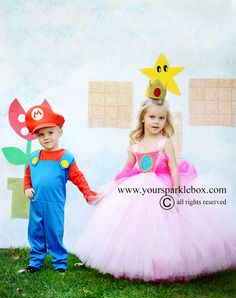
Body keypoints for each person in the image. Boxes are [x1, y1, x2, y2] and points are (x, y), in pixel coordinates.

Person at [76, 83, 236, 282]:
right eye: (152, 117)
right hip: (137, 190)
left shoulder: (164, 142)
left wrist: (176, 193)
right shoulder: (135, 145)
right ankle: (137, 264)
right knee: (137, 226)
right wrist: (111, 189)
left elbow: (174, 169)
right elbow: (127, 169)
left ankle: (163, 266)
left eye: (161, 118)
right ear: (142, 118)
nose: (157, 121)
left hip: (162, 188)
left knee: (164, 229)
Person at [19, 104, 97, 274]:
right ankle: (35, 261)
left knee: (54, 232)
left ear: (59, 132)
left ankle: (60, 263)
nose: (46, 137)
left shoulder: (65, 158)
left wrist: (88, 193)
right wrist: (27, 188)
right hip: (37, 203)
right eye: (41, 134)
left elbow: (78, 177)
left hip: (54, 204)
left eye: (50, 132)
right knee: (35, 232)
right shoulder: (34, 158)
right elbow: (28, 175)